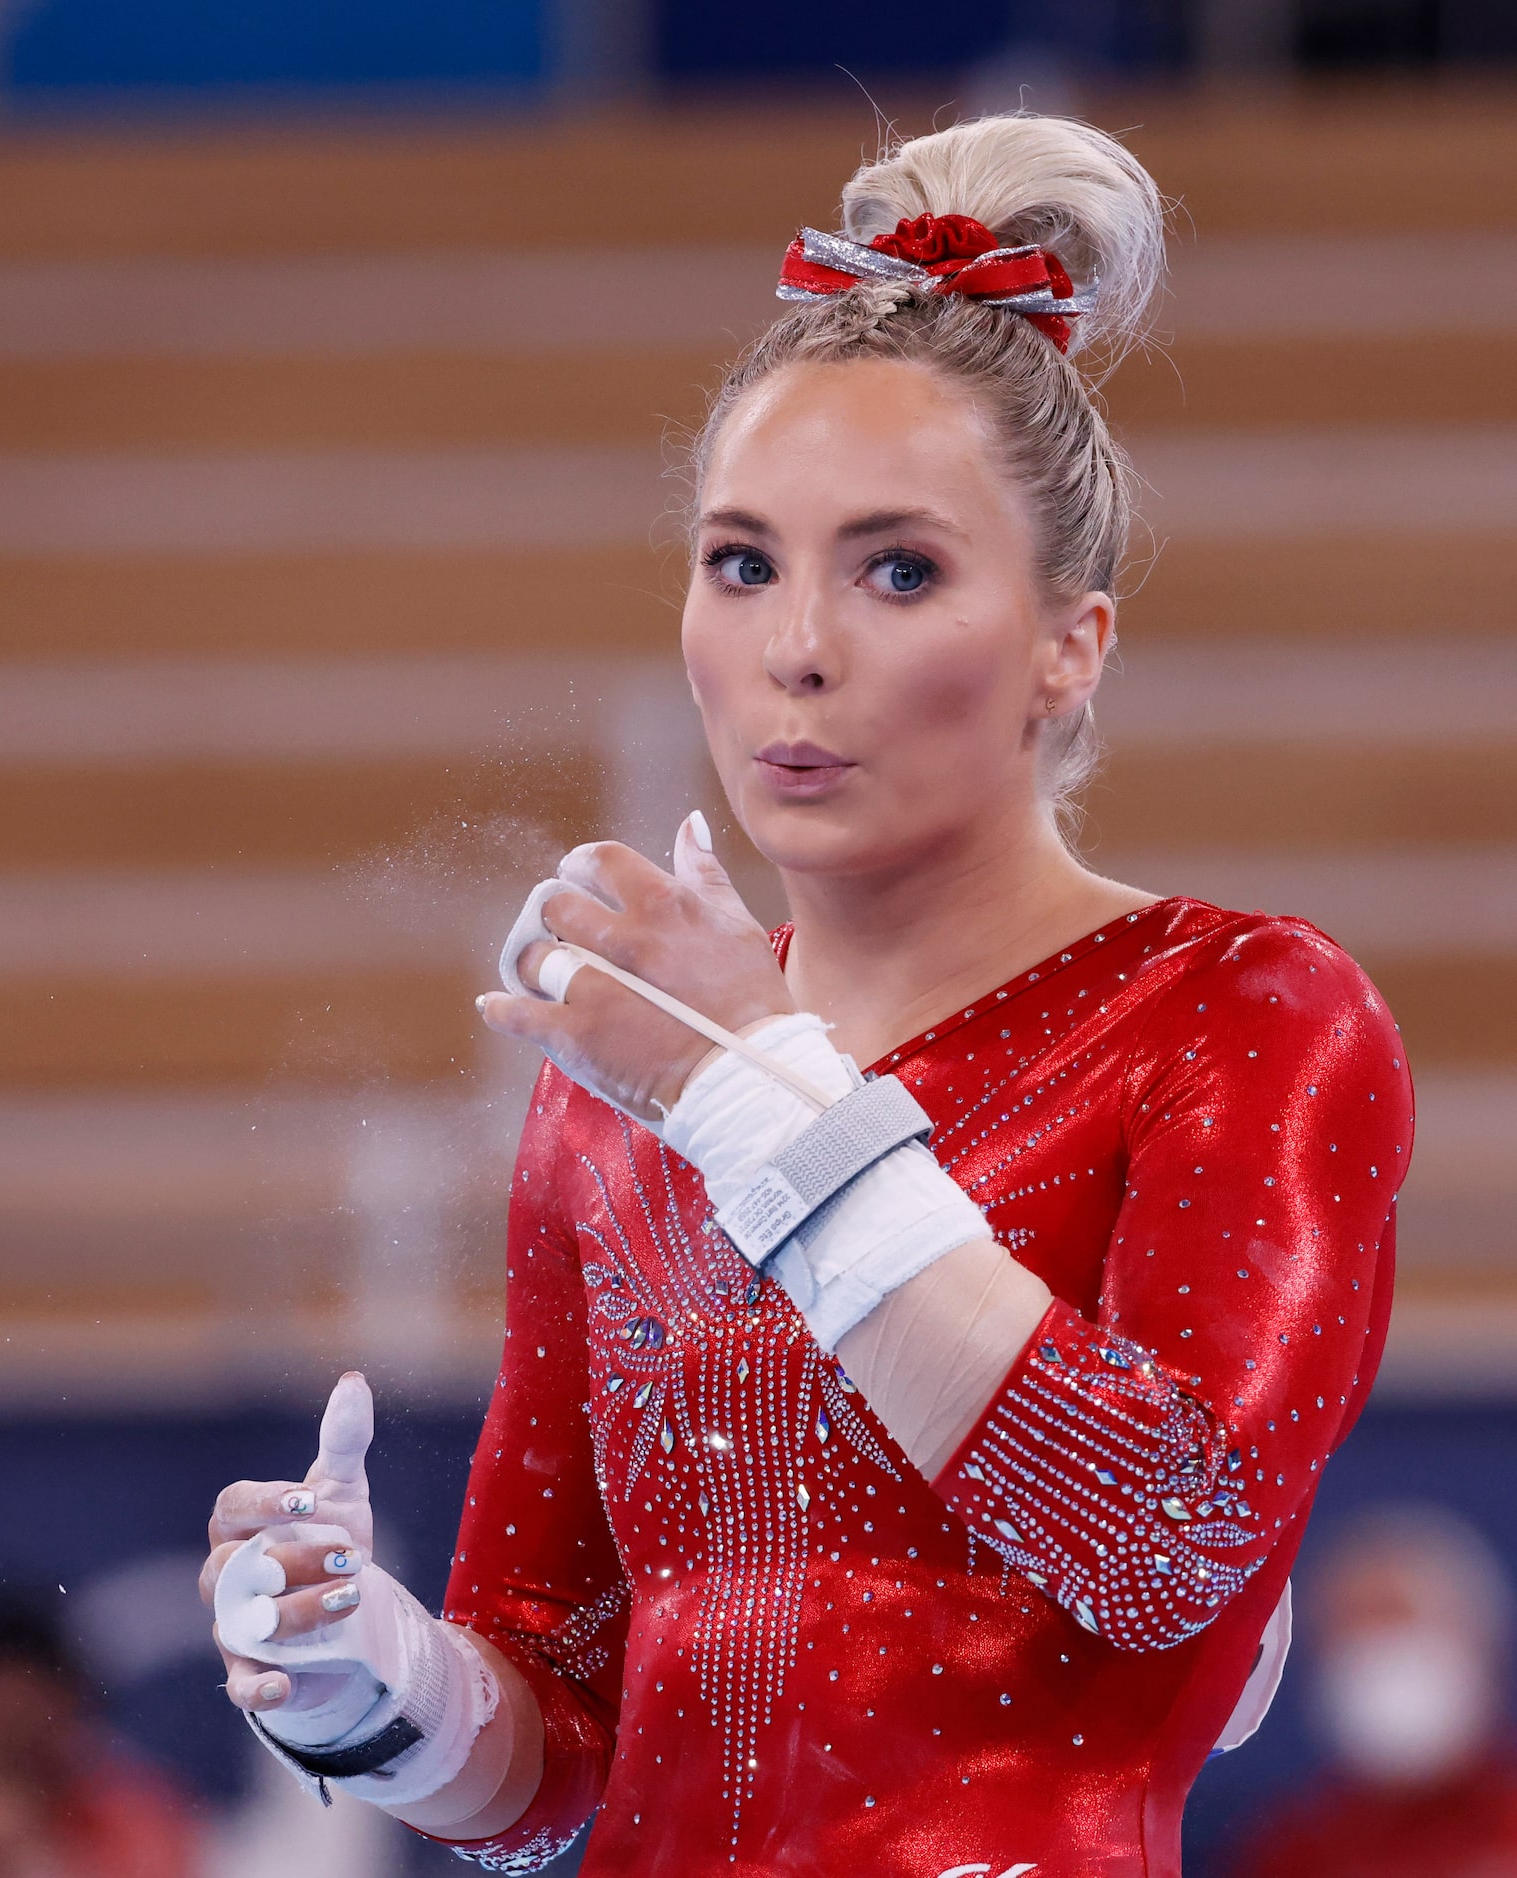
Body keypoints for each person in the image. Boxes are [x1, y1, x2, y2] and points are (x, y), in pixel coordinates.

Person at [199, 112, 1414, 1874]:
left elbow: (1162, 1543)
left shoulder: (1241, 1013)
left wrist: (752, 1094)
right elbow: (564, 1741)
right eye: (742, 559)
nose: (797, 646)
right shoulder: (621, 1076)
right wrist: (359, 1679)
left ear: (1069, 646)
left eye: (899, 568)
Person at [1223, 1509, 1517, 1878]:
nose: (1377, 1659)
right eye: (1352, 1634)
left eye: (1397, 1622)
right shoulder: (1292, 1851)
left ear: (1480, 1642)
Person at [0, 1595, 199, 1878]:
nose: (7, 1731)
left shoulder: (133, 1817)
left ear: (70, 1706)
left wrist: (26, 1857)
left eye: (24, 1711)